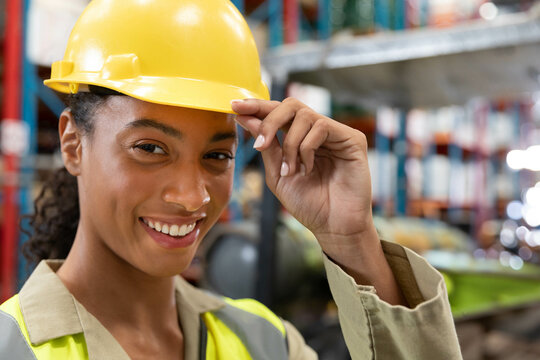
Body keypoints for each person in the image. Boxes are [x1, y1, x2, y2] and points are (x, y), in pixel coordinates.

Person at [0, 0, 462, 359]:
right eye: (149, 148)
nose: (192, 196)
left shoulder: (264, 343)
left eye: (217, 155)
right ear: (73, 144)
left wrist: (353, 239)